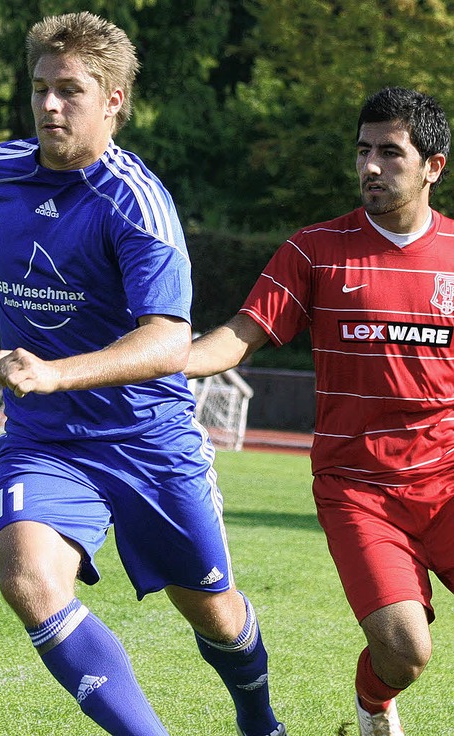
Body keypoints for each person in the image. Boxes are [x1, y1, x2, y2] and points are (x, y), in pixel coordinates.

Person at [0, 12, 286, 736]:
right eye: (40, 88)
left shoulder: (138, 204)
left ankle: (259, 719)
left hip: (148, 440)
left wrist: (52, 372)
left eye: (70, 91)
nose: (50, 105)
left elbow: (168, 342)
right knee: (25, 574)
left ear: (113, 97)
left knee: (214, 612)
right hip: (45, 442)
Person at [186, 86, 454, 736]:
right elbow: (234, 339)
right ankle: (372, 705)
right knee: (405, 651)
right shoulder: (313, 251)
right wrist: (141, 361)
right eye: (363, 151)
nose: (370, 167)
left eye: (390, 154)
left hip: (447, 482)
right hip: (358, 492)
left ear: (433, 166)